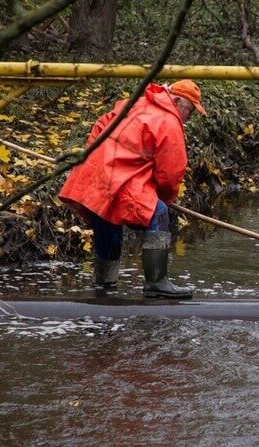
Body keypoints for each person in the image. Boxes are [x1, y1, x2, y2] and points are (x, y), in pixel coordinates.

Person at [58, 79, 207, 299]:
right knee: (159, 212)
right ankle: (157, 283)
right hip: (121, 180)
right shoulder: (168, 121)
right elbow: (170, 174)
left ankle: (104, 281)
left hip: (97, 176)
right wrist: (165, 199)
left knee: (106, 216)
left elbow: (100, 125)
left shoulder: (137, 103)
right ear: (176, 101)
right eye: (190, 111)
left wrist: (93, 161)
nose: (189, 117)